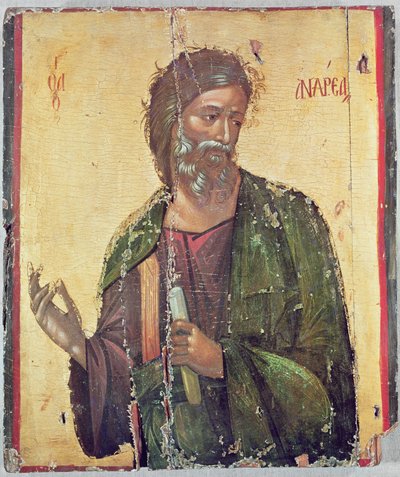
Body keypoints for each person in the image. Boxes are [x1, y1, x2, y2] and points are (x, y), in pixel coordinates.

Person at [29, 48, 357, 469]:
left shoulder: (291, 220)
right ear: (173, 123)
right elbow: (123, 401)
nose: (225, 136)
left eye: (235, 120)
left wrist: (223, 363)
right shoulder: (136, 244)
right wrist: (79, 346)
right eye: (210, 116)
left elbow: (330, 380)